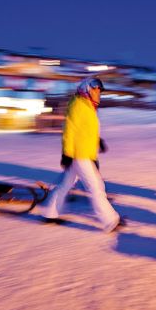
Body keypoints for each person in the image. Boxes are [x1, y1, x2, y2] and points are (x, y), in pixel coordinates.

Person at [42, 77, 122, 232]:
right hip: (79, 155)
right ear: (86, 89)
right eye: (95, 90)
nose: (98, 93)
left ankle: (50, 214)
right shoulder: (78, 105)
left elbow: (85, 130)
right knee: (96, 187)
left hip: (83, 153)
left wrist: (98, 141)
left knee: (65, 185)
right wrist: (67, 154)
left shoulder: (88, 105)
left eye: (99, 91)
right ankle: (110, 221)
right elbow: (69, 131)